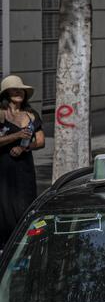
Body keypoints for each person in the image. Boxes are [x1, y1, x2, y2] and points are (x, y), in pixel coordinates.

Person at [0, 75, 45, 249]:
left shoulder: (31, 114)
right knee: (4, 208)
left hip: (24, 169)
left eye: (21, 90)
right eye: (14, 89)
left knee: (25, 205)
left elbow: (40, 141)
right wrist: (16, 136)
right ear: (6, 93)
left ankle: (26, 246)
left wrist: (26, 147)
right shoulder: (1, 114)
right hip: (3, 169)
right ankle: (7, 248)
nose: (19, 92)